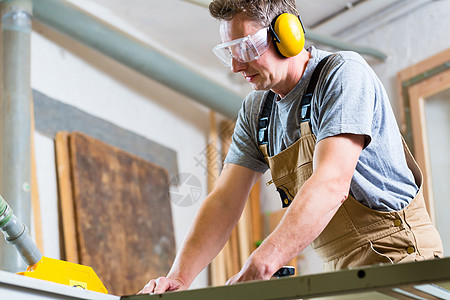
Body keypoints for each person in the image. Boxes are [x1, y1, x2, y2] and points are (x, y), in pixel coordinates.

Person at [139, 0, 443, 294]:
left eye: (245, 47)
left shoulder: (342, 74)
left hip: (400, 256)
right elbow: (223, 202)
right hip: (341, 271)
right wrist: (178, 278)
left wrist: (263, 262)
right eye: (229, 52)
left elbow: (331, 183)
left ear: (287, 34)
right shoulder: (256, 111)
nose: (235, 65)